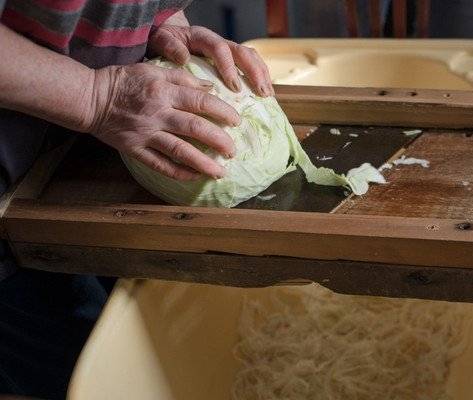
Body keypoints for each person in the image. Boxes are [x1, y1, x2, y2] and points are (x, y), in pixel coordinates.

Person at [0, 1, 273, 398]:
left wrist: (163, 24)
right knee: (82, 370)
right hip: (10, 205)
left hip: (81, 166)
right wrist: (96, 96)